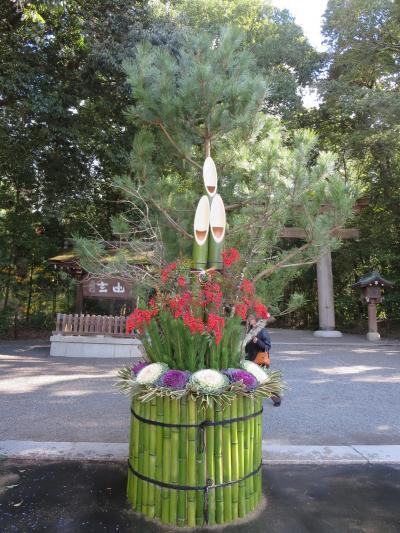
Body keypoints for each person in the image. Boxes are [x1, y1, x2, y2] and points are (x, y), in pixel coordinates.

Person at [242, 314, 281, 407]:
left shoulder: (262, 331)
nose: (249, 320)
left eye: (251, 319)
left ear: (256, 320)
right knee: (252, 380)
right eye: (248, 319)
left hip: (260, 360)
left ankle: (276, 398)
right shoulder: (250, 330)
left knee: (263, 381)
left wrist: (257, 341)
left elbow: (267, 347)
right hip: (251, 359)